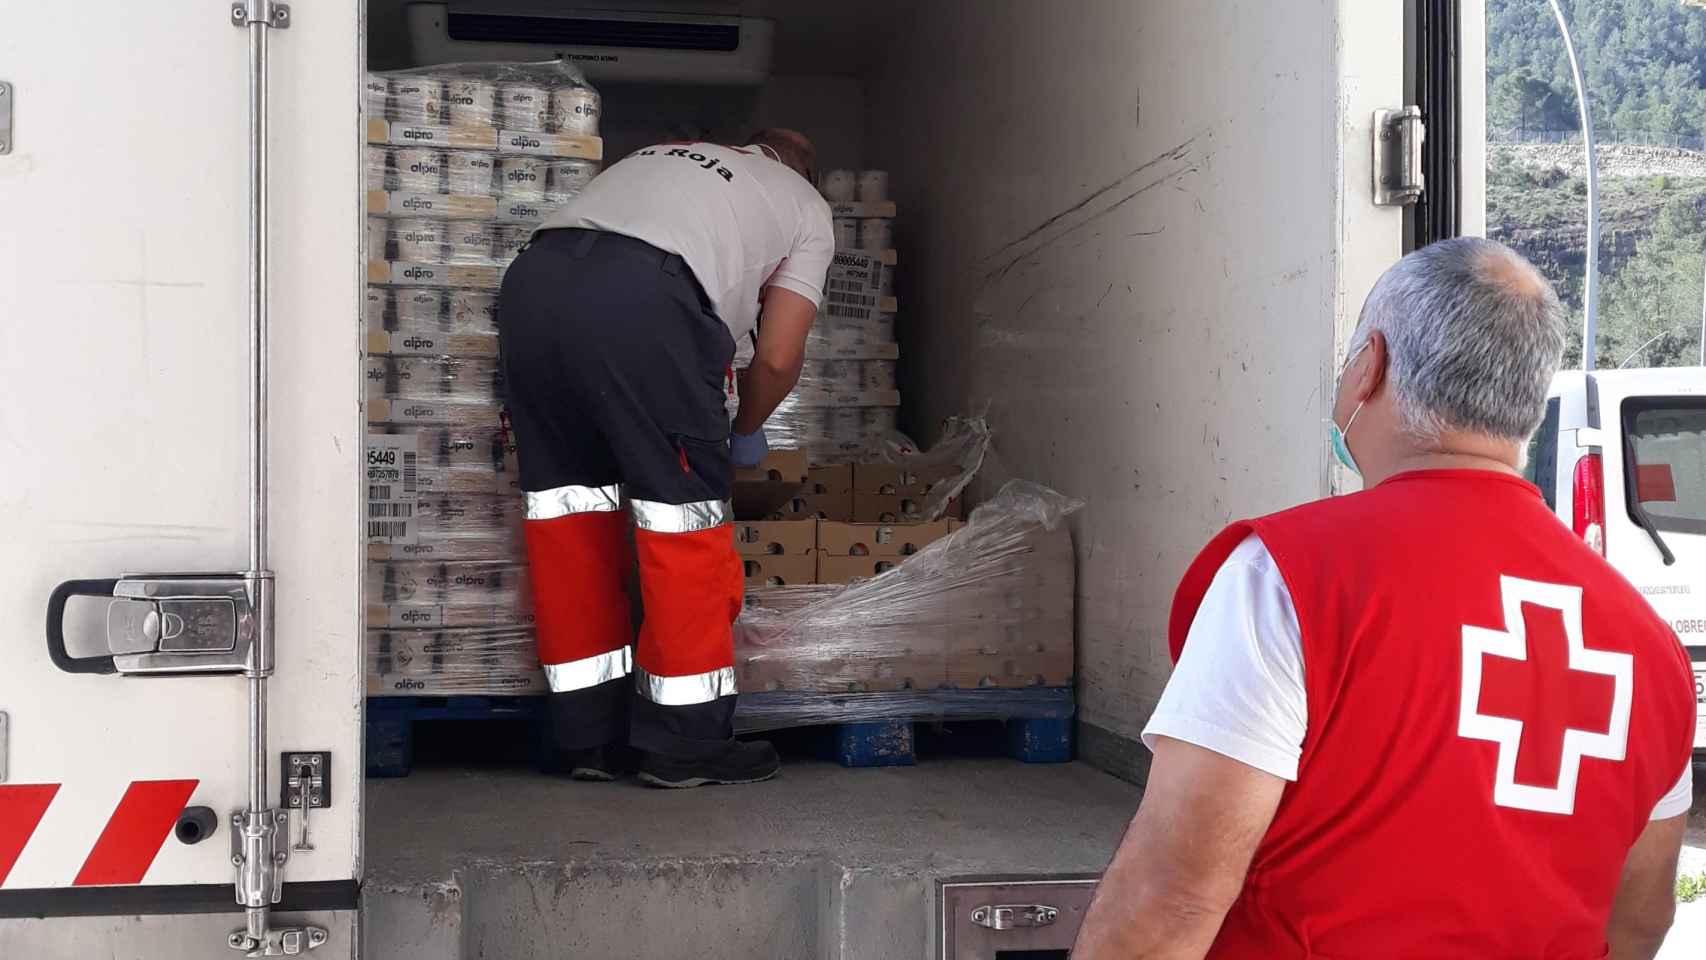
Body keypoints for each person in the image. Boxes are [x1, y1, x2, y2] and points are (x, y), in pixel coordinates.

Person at [1073, 238, 1696, 959]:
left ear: (1369, 364)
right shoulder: (1650, 647)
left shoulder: (1286, 581)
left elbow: (1167, 905)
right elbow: (1639, 924)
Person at [497, 129, 833, 789]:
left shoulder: (657, 157)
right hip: (644, 299)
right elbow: (775, 355)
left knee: (569, 513)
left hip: (532, 287)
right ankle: (686, 743)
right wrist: (746, 431)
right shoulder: (804, 205)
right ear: (802, 171)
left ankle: (586, 736)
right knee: (682, 520)